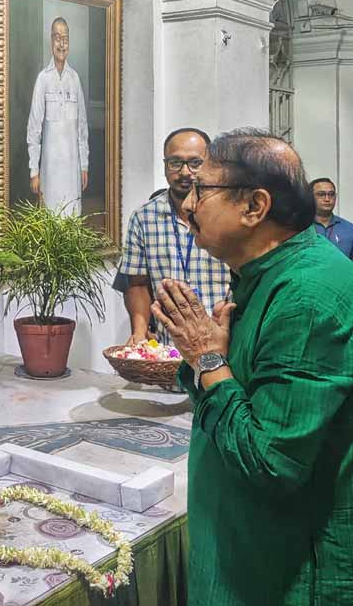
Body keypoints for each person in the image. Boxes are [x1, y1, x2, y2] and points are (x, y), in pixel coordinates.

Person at [151, 129, 353, 606]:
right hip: (243, 550)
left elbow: (272, 463)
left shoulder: (305, 297)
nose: (187, 205)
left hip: (285, 573)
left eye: (202, 190)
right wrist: (205, 361)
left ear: (254, 207)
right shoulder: (266, 276)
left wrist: (208, 358)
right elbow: (232, 388)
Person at [114, 128, 230, 345]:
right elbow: (137, 282)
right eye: (175, 162)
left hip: (223, 341)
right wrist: (139, 331)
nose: (185, 172)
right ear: (165, 165)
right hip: (169, 348)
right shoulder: (144, 217)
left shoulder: (227, 214)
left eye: (195, 163)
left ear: (210, 164)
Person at [26, 17, 89, 215]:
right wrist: (34, 171)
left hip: (72, 170)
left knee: (72, 219)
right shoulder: (43, 79)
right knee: (50, 222)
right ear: (50, 41)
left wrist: (84, 166)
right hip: (50, 170)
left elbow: (82, 128)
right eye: (57, 37)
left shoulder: (75, 78)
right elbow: (34, 129)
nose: (61, 44)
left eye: (65, 38)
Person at [311, 177, 353, 257]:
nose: (327, 199)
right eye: (321, 194)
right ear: (310, 197)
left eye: (331, 194)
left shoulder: (349, 229)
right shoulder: (300, 227)